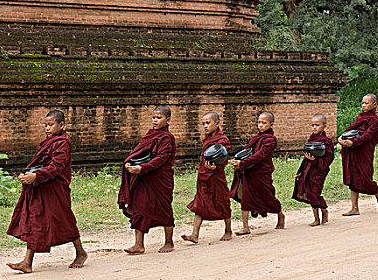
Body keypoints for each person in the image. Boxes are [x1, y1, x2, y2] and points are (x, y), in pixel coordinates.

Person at [6, 110, 87, 273]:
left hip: (55, 188)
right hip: (42, 186)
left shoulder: (62, 143)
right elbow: (41, 163)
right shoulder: (48, 142)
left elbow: (56, 167)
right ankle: (27, 262)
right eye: (45, 125)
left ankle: (81, 252)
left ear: (62, 125)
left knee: (65, 220)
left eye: (51, 125)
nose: (47, 129)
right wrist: (29, 175)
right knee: (36, 219)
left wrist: (36, 175)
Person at [117, 106, 176, 254]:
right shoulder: (150, 134)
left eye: (159, 118)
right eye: (154, 117)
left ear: (167, 120)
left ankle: (169, 242)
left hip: (160, 179)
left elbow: (161, 159)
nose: (155, 120)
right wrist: (131, 163)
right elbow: (139, 152)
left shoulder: (167, 138)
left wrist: (142, 168)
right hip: (145, 179)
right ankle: (138, 244)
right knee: (139, 208)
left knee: (164, 209)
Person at [230, 112, 285, 235]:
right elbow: (248, 151)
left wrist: (242, 163)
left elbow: (260, 155)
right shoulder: (256, 138)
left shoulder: (270, 140)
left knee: (268, 197)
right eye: (259, 122)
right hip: (250, 171)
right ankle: (245, 227)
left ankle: (280, 215)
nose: (260, 125)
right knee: (245, 197)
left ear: (271, 125)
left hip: (261, 173)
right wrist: (239, 160)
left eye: (264, 123)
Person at [182, 112, 232, 243]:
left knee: (223, 202)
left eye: (208, 123)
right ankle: (194, 234)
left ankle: (228, 230)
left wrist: (216, 168)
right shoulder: (207, 139)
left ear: (217, 123)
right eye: (203, 124)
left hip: (216, 177)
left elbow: (224, 158)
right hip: (204, 176)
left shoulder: (222, 140)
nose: (205, 126)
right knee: (200, 204)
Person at [338, 94, 378, 216]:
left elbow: (367, 136)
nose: (363, 105)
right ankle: (354, 208)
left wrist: (353, 142)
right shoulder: (361, 117)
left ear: (374, 105)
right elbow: (352, 129)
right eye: (362, 103)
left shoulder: (375, 120)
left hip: (364, 151)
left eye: (366, 103)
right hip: (353, 150)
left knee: (365, 178)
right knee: (352, 176)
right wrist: (342, 137)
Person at [292, 114, 335, 226]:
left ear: (324, 126)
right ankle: (316, 218)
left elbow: (329, 158)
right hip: (308, 170)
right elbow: (306, 158)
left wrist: (316, 161)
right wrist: (300, 172)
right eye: (312, 125)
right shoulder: (311, 139)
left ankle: (324, 209)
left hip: (319, 171)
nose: (314, 127)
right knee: (308, 192)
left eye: (317, 125)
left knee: (315, 193)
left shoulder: (326, 141)